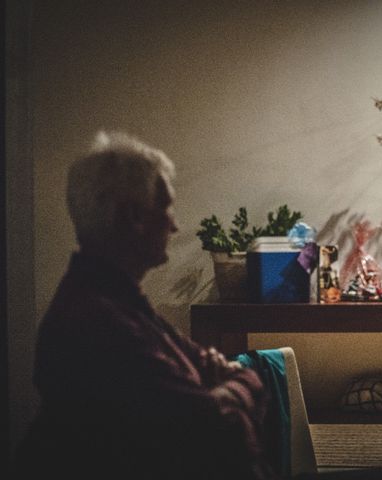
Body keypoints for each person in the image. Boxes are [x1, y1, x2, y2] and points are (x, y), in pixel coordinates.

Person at [13, 132, 275, 480]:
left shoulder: (121, 302)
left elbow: (214, 390)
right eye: (166, 206)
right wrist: (238, 386)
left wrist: (223, 388)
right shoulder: (98, 325)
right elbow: (216, 430)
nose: (175, 224)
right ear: (134, 216)